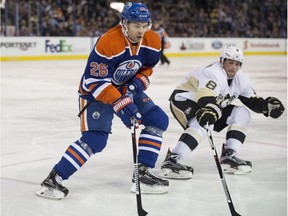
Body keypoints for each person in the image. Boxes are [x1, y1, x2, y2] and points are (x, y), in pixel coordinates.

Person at [36, 2, 169, 200]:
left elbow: (146, 68)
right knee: (95, 139)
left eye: (144, 25)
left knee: (158, 120)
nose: (141, 30)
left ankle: (142, 172)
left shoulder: (153, 40)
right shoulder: (109, 41)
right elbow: (94, 81)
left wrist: (135, 86)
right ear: (124, 23)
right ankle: (54, 179)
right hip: (96, 93)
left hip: (124, 88)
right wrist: (122, 104)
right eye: (136, 25)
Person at [158, 45, 285, 179]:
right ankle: (173, 159)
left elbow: (252, 101)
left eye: (237, 64)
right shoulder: (213, 72)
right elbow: (205, 95)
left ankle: (229, 155)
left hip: (211, 104)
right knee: (204, 123)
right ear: (222, 61)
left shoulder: (241, 78)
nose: (233, 67)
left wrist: (266, 105)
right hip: (184, 100)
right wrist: (211, 109)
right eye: (230, 62)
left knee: (242, 113)